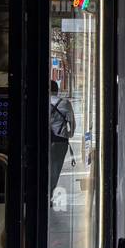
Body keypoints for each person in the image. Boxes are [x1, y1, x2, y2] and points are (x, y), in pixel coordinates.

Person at [48, 79, 75, 208]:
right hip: (60, 141)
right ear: (57, 90)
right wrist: (69, 135)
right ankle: (50, 195)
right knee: (55, 170)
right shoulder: (65, 103)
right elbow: (72, 123)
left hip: (45, 140)